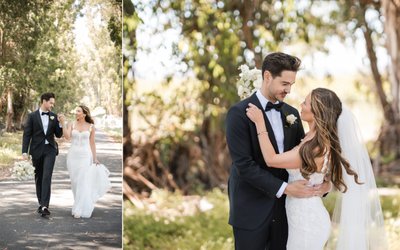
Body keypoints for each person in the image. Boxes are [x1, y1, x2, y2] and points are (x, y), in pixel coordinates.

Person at [246, 88, 387, 249]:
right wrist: (326, 183)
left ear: (317, 112)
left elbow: (271, 160)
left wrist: (260, 123)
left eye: (305, 103)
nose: (301, 104)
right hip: (302, 216)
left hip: (307, 222)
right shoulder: (311, 138)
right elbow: (324, 175)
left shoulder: (315, 147)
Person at [225, 52, 331, 250]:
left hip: (287, 214)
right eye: (284, 83)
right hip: (251, 210)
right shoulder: (238, 114)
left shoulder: (292, 114)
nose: (288, 90)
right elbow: (244, 166)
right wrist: (286, 188)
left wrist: (324, 186)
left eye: (291, 84)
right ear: (267, 76)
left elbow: (307, 157)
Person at [58, 105, 110, 218]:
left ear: (84, 114)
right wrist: (63, 123)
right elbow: (67, 137)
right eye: (76, 110)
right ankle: (78, 203)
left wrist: (95, 157)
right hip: (72, 156)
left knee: (82, 181)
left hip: (85, 156)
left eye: (78, 111)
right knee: (75, 182)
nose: (76, 112)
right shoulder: (71, 124)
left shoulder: (91, 126)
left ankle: (80, 208)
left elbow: (92, 143)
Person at [22, 92, 63, 216]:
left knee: (46, 176)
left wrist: (60, 123)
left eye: (53, 103)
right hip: (36, 150)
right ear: (44, 101)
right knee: (39, 176)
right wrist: (24, 151)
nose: (52, 105)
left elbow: (58, 134)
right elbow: (27, 135)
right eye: (50, 103)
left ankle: (45, 206)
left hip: (50, 149)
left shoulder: (54, 116)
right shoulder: (32, 116)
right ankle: (41, 203)